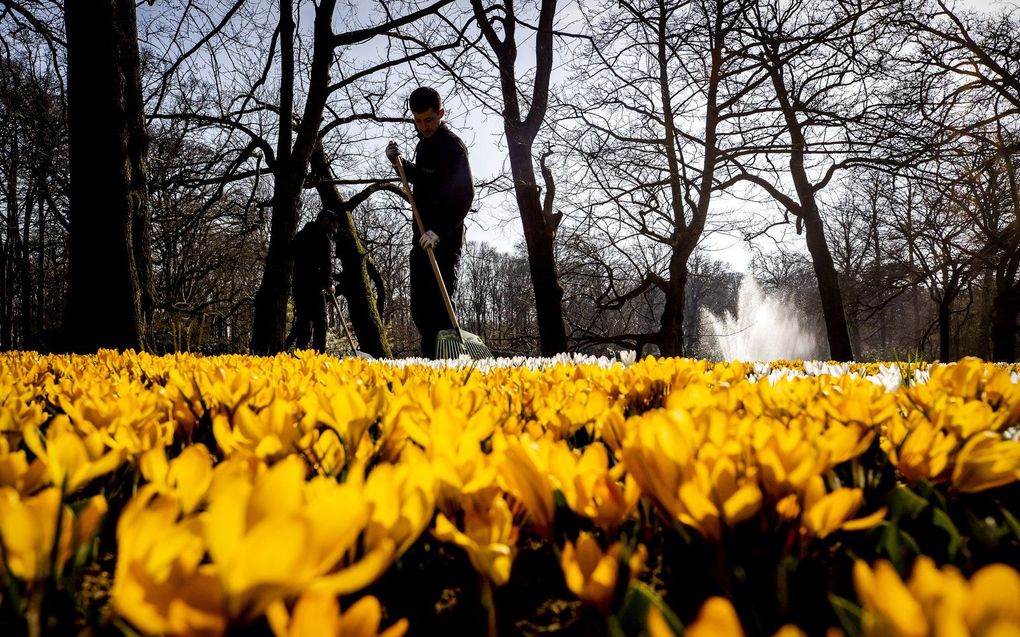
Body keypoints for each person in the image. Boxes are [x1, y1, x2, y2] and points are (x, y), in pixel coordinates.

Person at [385, 87, 474, 358]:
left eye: (429, 120)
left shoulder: (452, 147)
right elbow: (424, 179)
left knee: (441, 307)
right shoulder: (423, 145)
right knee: (420, 309)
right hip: (421, 237)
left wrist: (439, 231)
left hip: (444, 240)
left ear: (441, 113)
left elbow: (465, 195)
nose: (423, 126)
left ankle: (449, 364)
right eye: (418, 120)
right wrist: (399, 164)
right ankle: (429, 364)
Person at [286, 208, 340, 352]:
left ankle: (301, 354)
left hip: (298, 285)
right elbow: (326, 263)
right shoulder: (323, 238)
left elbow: (289, 252)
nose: (336, 229)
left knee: (304, 321)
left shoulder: (301, 235)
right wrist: (329, 283)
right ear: (326, 221)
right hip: (314, 286)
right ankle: (318, 355)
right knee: (321, 321)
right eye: (334, 225)